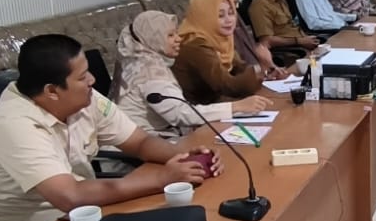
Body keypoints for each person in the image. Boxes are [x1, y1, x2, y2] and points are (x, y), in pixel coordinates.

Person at [0, 33, 218, 221]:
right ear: (52, 91)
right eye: (82, 76)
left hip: (83, 215)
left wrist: (183, 156)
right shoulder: (15, 125)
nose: (93, 81)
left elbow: (139, 141)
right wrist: (162, 179)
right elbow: (69, 196)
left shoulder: (81, 99)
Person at [115, 9, 270, 139]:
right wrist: (237, 106)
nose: (178, 39)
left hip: (159, 136)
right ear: (152, 39)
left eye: (176, 33)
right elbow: (180, 114)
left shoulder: (145, 60)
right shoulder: (149, 73)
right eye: (170, 35)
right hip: (141, 148)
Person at [173, 0, 269, 106]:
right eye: (220, 15)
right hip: (200, 113)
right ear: (204, 18)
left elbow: (240, 68)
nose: (229, 20)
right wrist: (261, 67)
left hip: (219, 104)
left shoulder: (219, 38)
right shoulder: (195, 45)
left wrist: (268, 72)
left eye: (231, 13)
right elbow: (227, 86)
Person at [205, 0, 285, 78]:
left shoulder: (235, 16)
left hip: (256, 75)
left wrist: (270, 67)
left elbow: (252, 49)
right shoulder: (212, 22)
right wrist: (264, 69)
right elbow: (234, 67)